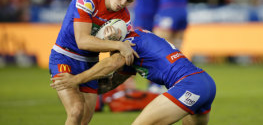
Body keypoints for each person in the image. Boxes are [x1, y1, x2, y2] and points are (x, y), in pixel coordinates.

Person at [51, 29, 216, 125]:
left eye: (103, 40)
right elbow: (110, 84)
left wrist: (75, 79)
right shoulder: (137, 44)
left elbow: (110, 64)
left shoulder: (129, 43)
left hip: (189, 85)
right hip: (204, 83)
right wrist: (80, 91)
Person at [49, 0, 143, 125]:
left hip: (91, 62)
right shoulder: (87, 0)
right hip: (64, 56)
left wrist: (114, 40)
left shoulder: (124, 17)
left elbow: (117, 55)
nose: (123, 2)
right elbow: (82, 41)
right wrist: (118, 44)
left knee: (85, 118)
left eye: (129, 1)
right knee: (76, 110)